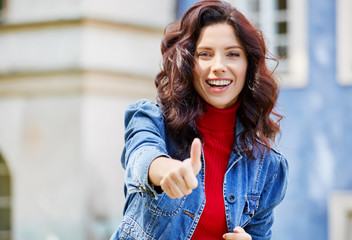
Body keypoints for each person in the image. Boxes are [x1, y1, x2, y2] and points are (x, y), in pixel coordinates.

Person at [110, 0, 288, 239]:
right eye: (204, 54)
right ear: (188, 64)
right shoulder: (151, 119)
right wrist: (167, 171)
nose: (218, 67)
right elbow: (141, 157)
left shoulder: (267, 166)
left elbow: (259, 234)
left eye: (233, 54)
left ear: (249, 64)